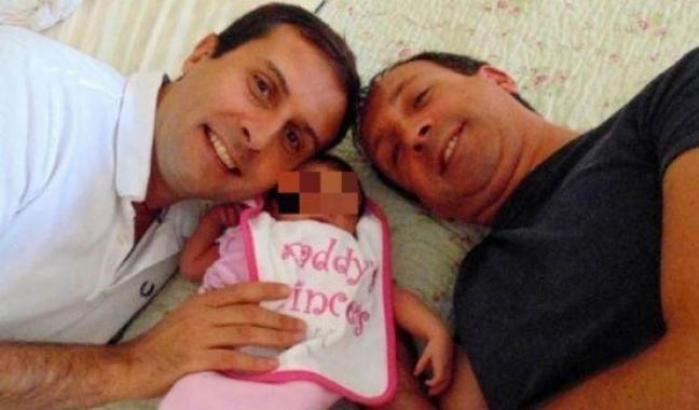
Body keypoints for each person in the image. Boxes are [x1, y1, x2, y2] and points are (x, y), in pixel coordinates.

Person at [0, 3, 360, 409]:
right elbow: (135, 368)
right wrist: (133, 365)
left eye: (293, 139)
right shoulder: (26, 92)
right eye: (262, 87)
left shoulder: (203, 233)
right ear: (200, 55)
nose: (259, 138)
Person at [358, 49, 699, 409]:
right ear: (430, 206)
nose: (413, 134)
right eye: (395, 154)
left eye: (421, 98)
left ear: (498, 79)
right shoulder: (474, 294)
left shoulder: (672, 100)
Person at [158, 155, 453, 410]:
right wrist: (215, 221)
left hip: (299, 375)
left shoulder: (347, 256)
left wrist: (434, 331)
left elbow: (386, 298)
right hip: (223, 356)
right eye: (310, 193)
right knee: (192, 393)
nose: (325, 208)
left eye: (342, 205)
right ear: (276, 207)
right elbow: (192, 266)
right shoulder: (258, 238)